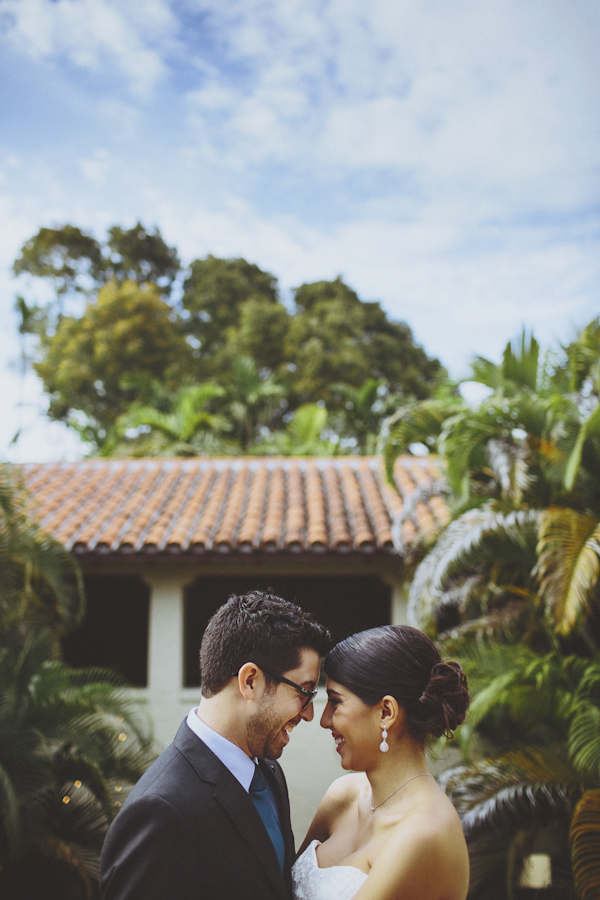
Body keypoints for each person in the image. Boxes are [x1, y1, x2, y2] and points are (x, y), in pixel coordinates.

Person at [100, 590, 331, 900]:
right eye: (303, 692)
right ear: (250, 681)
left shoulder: (270, 773)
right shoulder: (158, 812)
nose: (309, 714)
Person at [292, 625, 470, 900]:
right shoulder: (343, 796)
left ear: (386, 712)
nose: (324, 720)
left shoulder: (425, 832)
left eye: (335, 702)